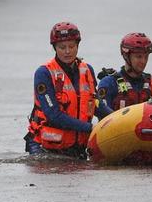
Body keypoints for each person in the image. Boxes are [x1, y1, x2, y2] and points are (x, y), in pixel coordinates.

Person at [24, 21, 98, 158]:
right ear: (55, 48)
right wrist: (91, 128)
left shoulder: (87, 70)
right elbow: (54, 115)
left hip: (77, 147)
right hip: (44, 147)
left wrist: (118, 119)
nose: (68, 51)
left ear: (78, 46)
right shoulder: (44, 73)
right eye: (62, 47)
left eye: (72, 46)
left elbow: (97, 105)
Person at [95, 32, 152, 119]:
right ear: (126, 56)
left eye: (146, 57)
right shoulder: (109, 83)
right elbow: (102, 118)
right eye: (139, 57)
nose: (143, 61)